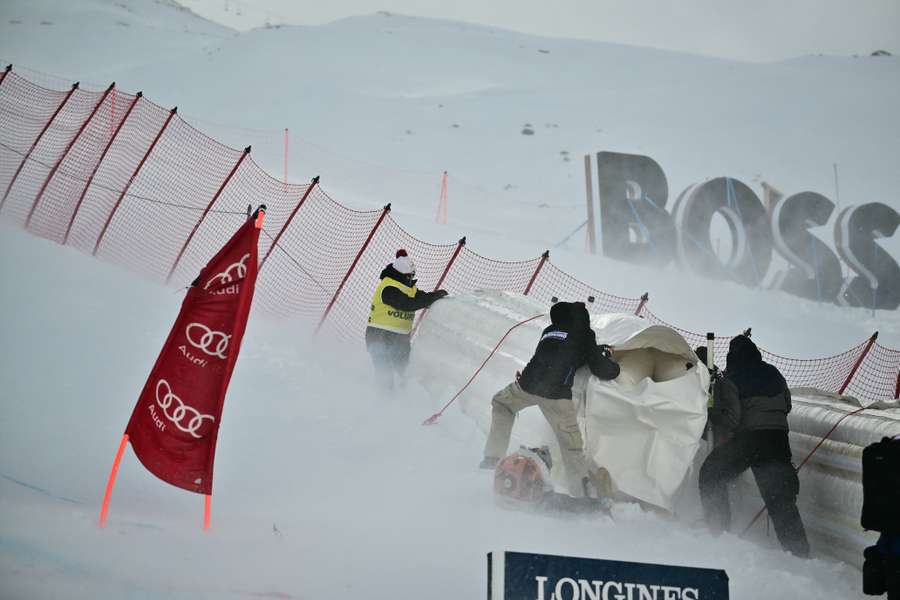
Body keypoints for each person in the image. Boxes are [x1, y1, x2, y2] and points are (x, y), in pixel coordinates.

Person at [481, 301, 620, 499]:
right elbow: (601, 369)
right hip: (556, 397)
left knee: (501, 403)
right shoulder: (584, 334)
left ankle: (492, 458)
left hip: (527, 385)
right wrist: (612, 363)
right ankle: (582, 497)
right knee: (571, 448)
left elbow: (560, 353)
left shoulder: (550, 330)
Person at [699, 334, 810, 557]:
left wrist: (710, 412)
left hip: (750, 441)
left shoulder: (732, 379)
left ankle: (718, 534)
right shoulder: (774, 373)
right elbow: (786, 405)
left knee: (711, 475)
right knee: (780, 501)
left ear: (733, 358)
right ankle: (800, 554)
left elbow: (732, 419)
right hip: (778, 440)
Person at [366, 249, 447, 390]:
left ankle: (403, 398)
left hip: (399, 337)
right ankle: (383, 400)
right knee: (385, 372)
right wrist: (432, 298)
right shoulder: (389, 287)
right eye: (409, 275)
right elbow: (408, 304)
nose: (411, 278)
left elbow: (420, 298)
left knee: (405, 371)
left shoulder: (409, 287)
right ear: (401, 274)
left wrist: (436, 297)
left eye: (412, 275)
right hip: (379, 336)